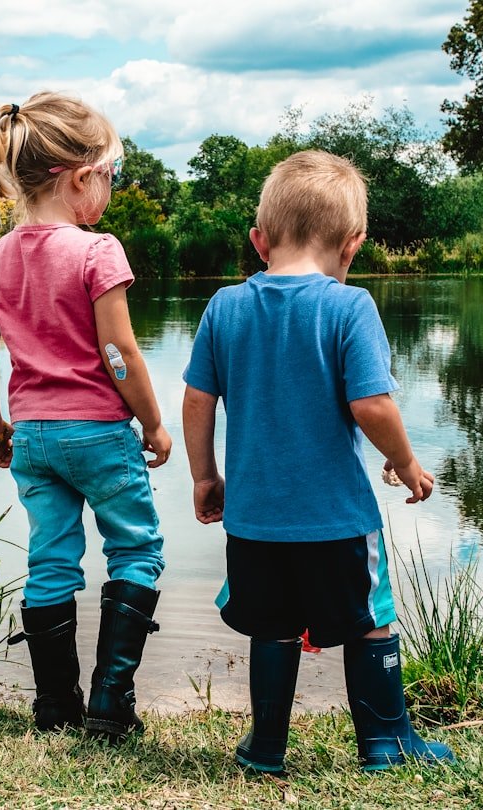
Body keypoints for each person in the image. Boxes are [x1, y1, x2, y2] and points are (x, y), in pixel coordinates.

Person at [181, 150, 455, 773]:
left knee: (272, 626)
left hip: (254, 521)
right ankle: (386, 743)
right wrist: (406, 463)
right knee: (370, 620)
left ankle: (266, 748)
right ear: (353, 244)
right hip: (337, 519)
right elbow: (372, 404)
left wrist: (204, 475)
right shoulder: (348, 306)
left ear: (259, 240)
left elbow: (198, 399)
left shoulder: (224, 306)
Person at [0, 91, 171, 740]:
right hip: (99, 434)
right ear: (81, 178)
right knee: (135, 550)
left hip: (33, 438)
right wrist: (155, 423)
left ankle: (55, 707)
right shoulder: (96, 250)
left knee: (51, 561)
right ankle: (111, 706)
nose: (110, 190)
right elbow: (118, 351)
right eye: (110, 176)